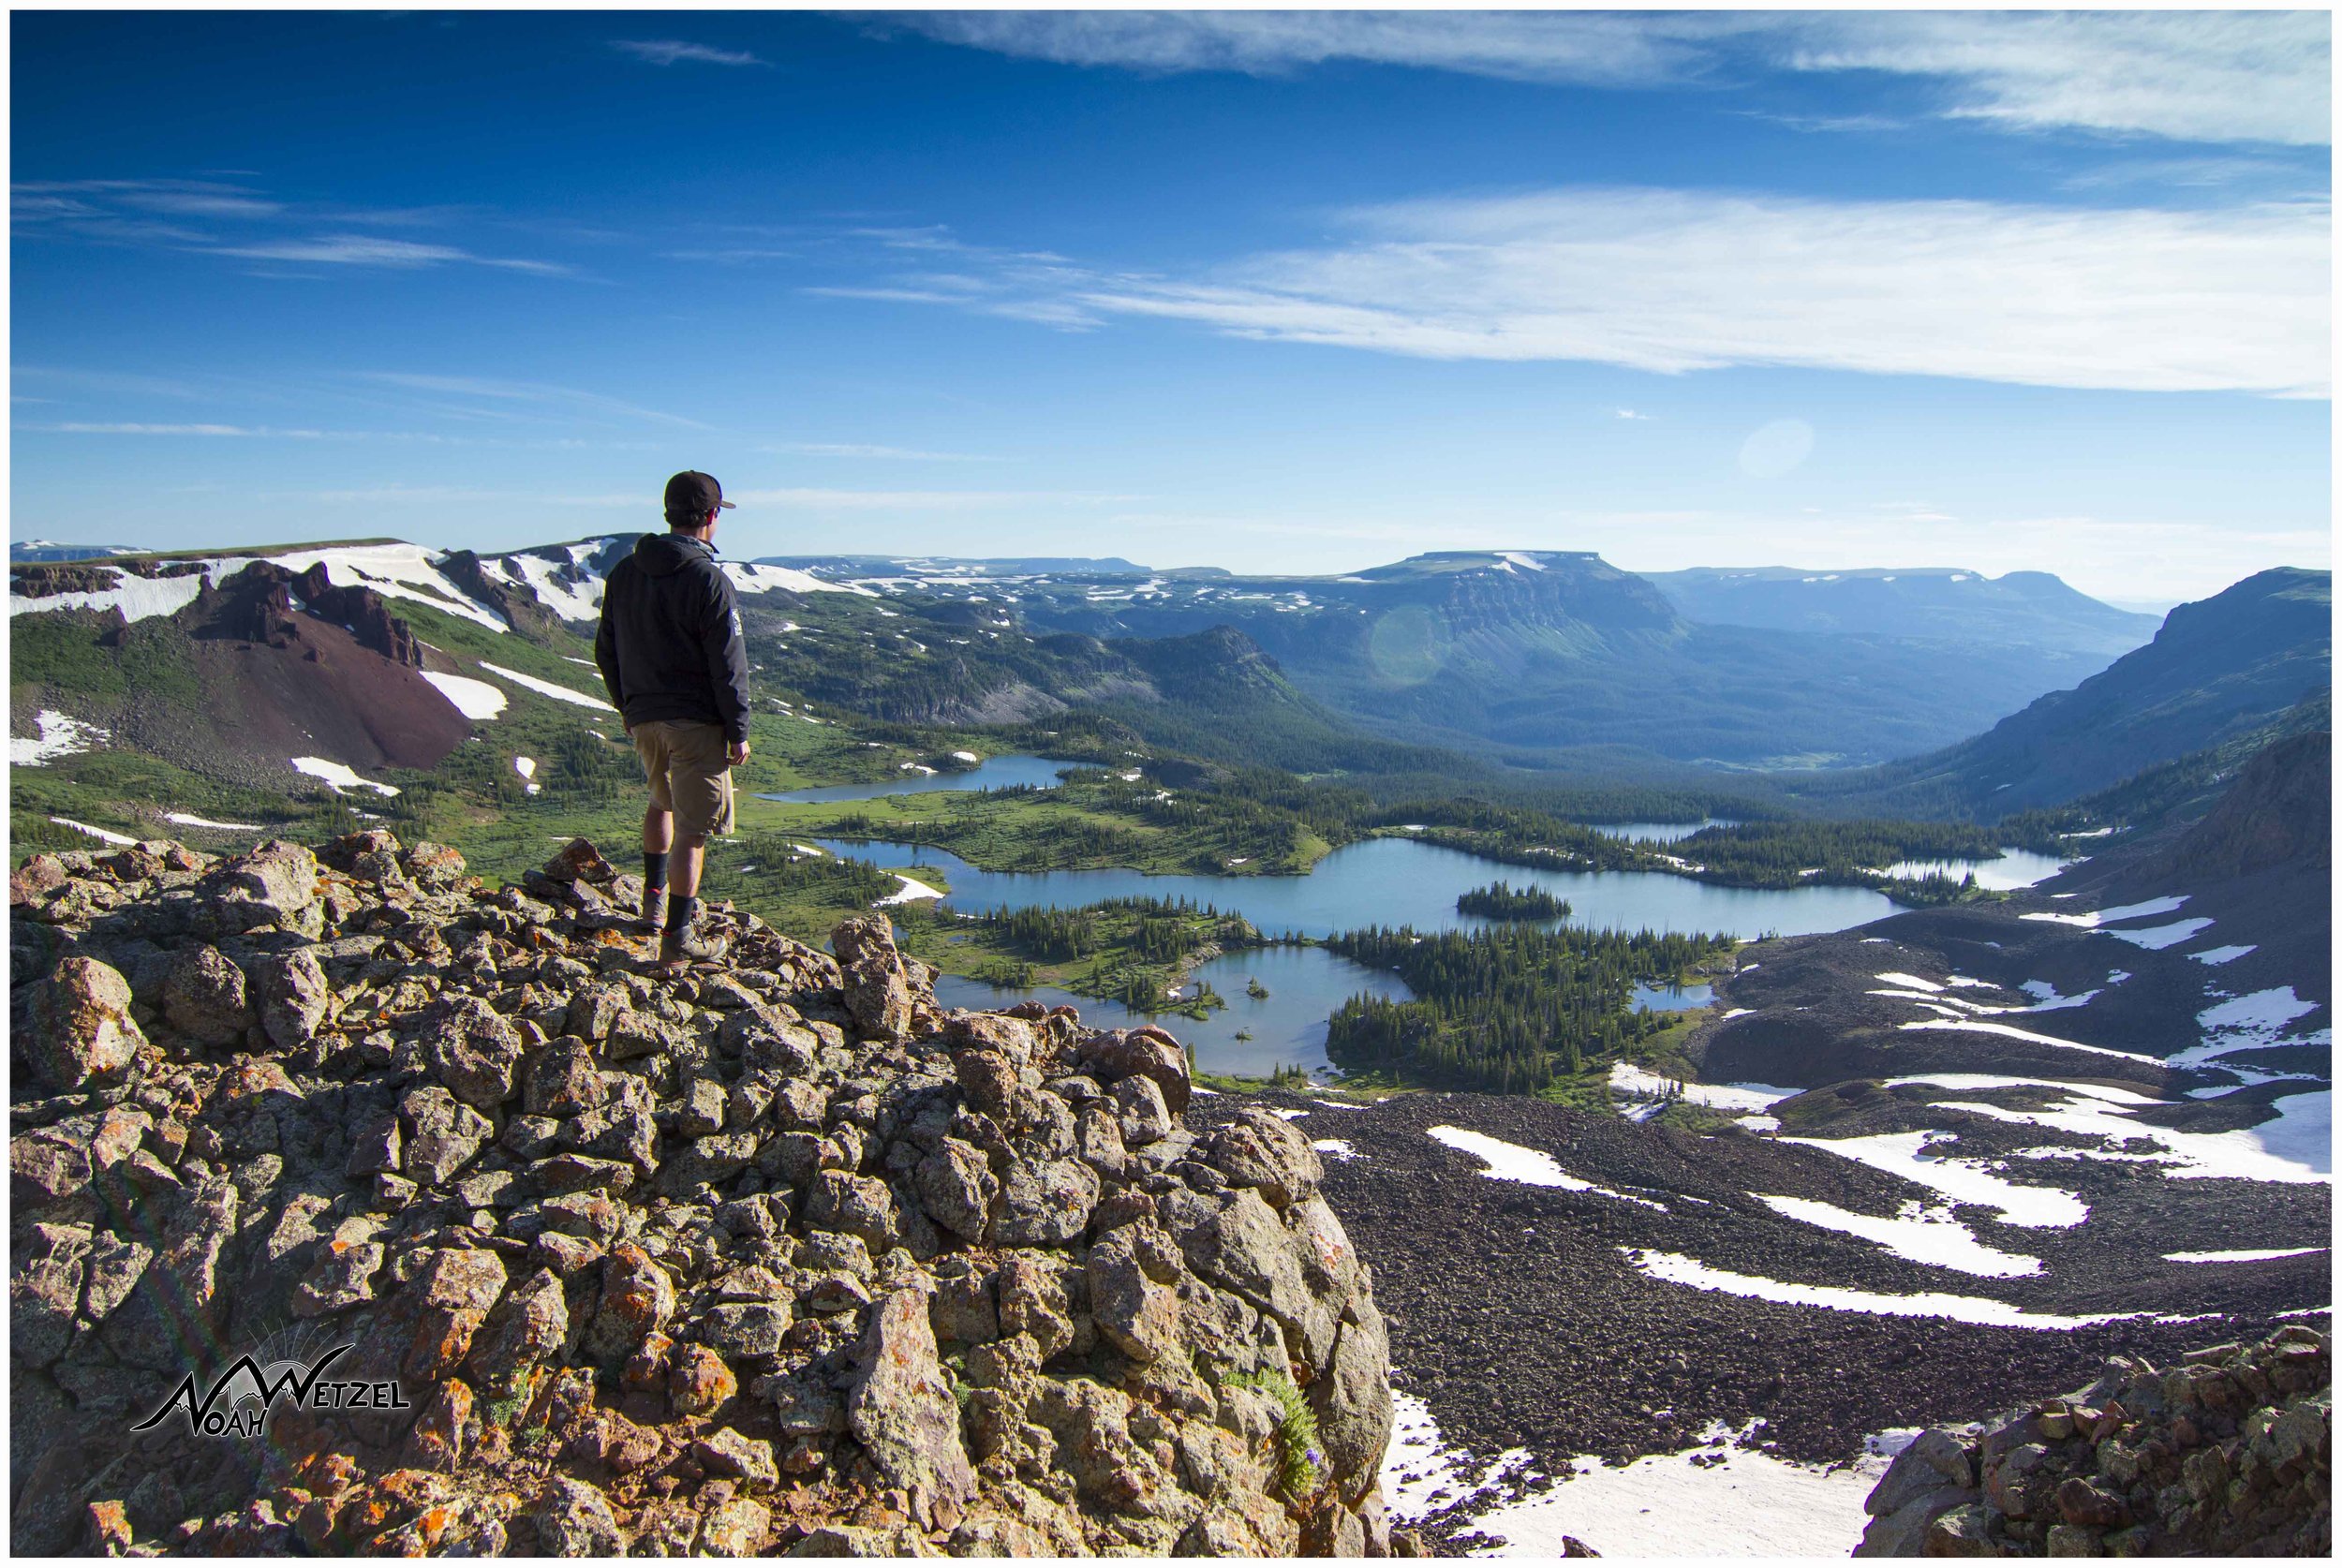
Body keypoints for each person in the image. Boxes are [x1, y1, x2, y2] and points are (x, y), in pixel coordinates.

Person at [594, 470, 752, 963]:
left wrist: (628, 707)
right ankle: (678, 940)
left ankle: (652, 908)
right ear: (710, 518)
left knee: (660, 804)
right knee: (692, 830)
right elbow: (728, 663)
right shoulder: (708, 579)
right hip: (696, 724)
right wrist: (738, 731)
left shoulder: (624, 574)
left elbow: (606, 650)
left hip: (645, 718)